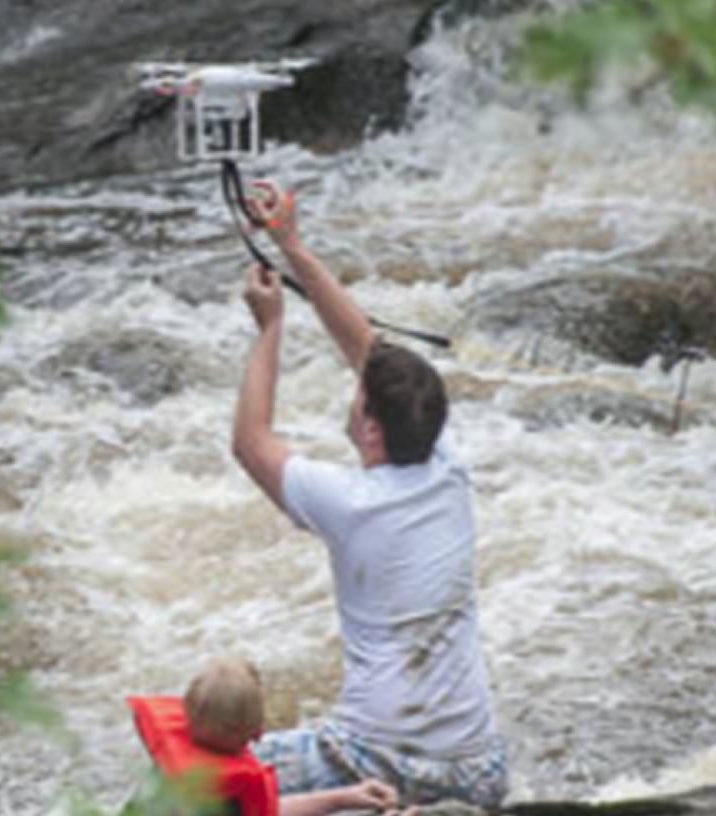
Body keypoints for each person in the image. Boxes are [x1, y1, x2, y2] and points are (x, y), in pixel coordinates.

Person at [231, 183, 508, 810]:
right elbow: (371, 353)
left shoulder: (348, 501)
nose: (352, 389)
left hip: (369, 758)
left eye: (358, 396)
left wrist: (269, 327)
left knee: (201, 782)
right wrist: (291, 245)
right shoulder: (447, 462)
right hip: (479, 770)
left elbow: (250, 443)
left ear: (372, 430)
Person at [130, 658, 402, 816]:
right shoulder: (227, 794)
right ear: (257, 732)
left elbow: (265, 811)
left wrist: (345, 797)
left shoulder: (169, 765)